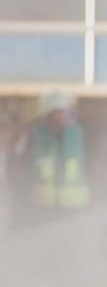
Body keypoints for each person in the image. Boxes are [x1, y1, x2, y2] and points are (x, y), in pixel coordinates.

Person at [10, 90, 90, 229]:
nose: (60, 117)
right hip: (42, 209)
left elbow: (95, 166)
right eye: (55, 113)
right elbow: (22, 170)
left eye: (63, 112)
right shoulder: (34, 137)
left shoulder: (81, 136)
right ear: (46, 115)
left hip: (76, 211)